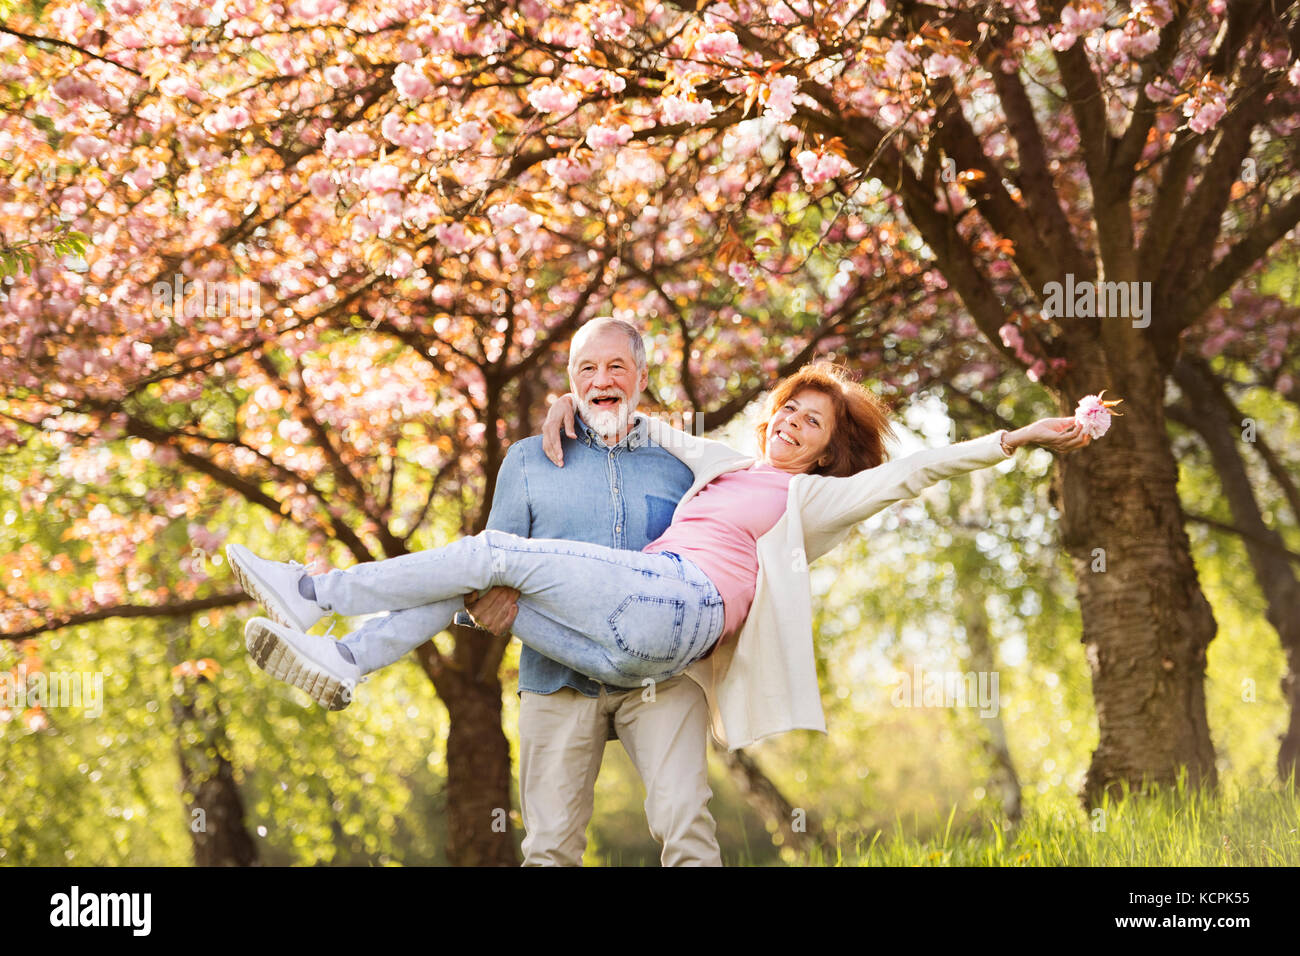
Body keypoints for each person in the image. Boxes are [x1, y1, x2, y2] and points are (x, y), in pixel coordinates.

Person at [228, 361, 1091, 760]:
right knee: (476, 573)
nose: (792, 423)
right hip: (626, 647)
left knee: (497, 548)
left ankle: (312, 593)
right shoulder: (725, 462)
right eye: (789, 410)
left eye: (812, 424)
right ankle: (344, 658)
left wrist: (1018, 438)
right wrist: (581, 402)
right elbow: (644, 427)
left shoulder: (812, 499)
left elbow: (916, 470)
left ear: (829, 453)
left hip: (680, 606)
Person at [467, 317, 722, 866]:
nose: (602, 378)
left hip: (662, 678)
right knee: (549, 848)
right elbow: (490, 566)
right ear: (571, 379)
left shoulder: (683, 464)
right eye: (587, 368)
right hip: (556, 678)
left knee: (687, 826)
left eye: (616, 366)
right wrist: (480, 611)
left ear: (642, 378)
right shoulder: (527, 461)